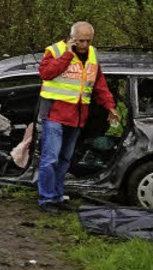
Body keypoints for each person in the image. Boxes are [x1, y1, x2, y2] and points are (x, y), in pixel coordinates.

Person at [35, 21, 119, 213]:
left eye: (88, 41)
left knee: (65, 159)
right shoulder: (56, 51)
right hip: (55, 114)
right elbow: (45, 73)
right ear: (72, 38)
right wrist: (67, 55)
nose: (84, 45)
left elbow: (99, 85)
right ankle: (46, 199)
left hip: (77, 116)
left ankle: (57, 196)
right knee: (50, 158)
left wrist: (110, 107)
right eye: (80, 41)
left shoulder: (93, 55)